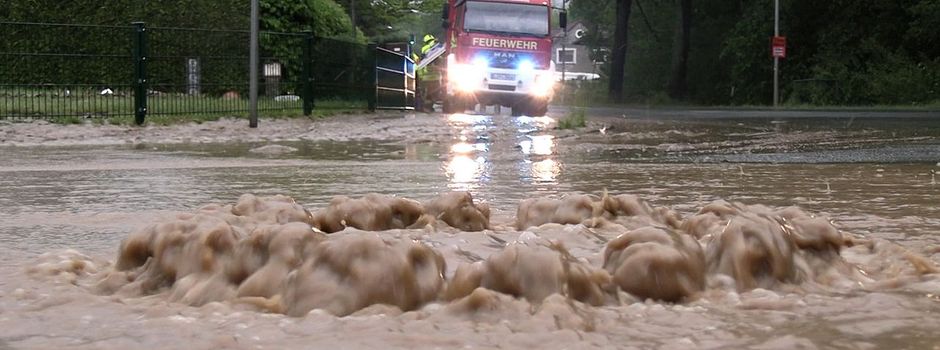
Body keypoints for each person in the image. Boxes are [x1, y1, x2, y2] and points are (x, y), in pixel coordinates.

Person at [414, 34, 440, 112]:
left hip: (426, 77)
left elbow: (423, 61)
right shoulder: (438, 47)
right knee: (434, 93)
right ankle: (429, 106)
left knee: (426, 93)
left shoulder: (424, 48)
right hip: (436, 77)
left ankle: (426, 107)